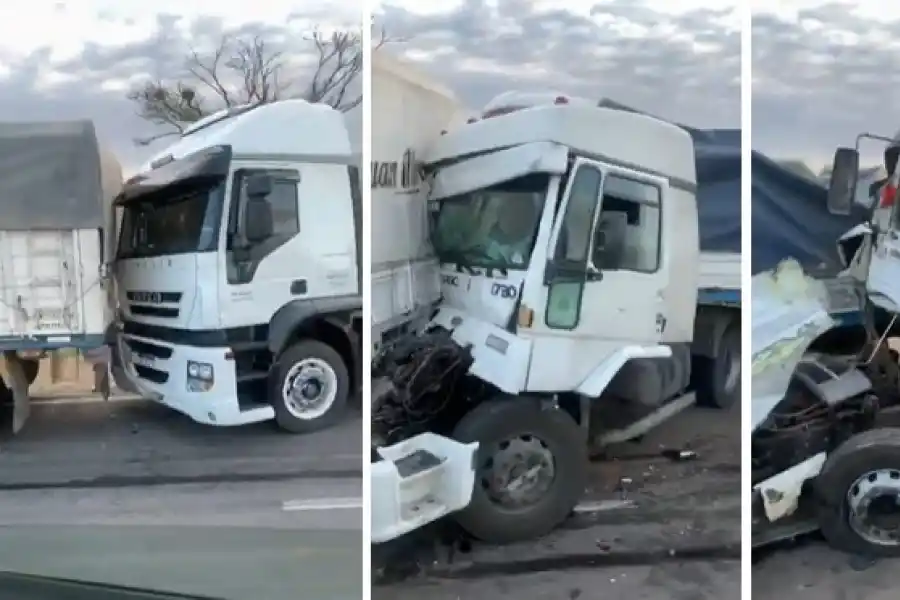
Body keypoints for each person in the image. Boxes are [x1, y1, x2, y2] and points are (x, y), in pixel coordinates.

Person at [484, 195, 538, 266]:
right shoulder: (484, 246)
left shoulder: (534, 251)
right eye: (503, 210)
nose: (512, 218)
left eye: (518, 213)